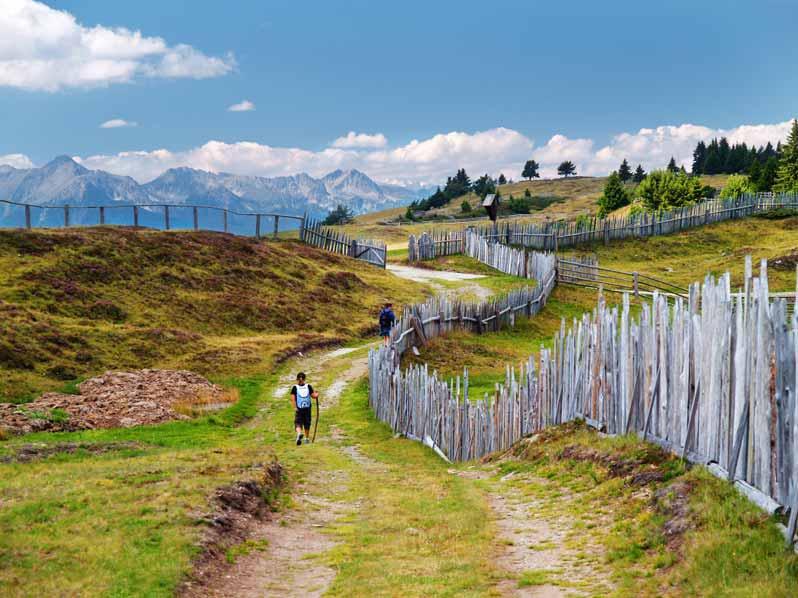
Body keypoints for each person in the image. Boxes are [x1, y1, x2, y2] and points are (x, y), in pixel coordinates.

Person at [291, 372, 318, 445]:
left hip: (299, 408)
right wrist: (317, 394)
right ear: (304, 379)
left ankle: (299, 433)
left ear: (297, 379)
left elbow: (293, 399)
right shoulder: (308, 386)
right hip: (307, 408)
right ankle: (306, 439)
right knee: (307, 423)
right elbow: (313, 396)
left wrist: (295, 407)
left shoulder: (295, 388)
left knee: (298, 423)